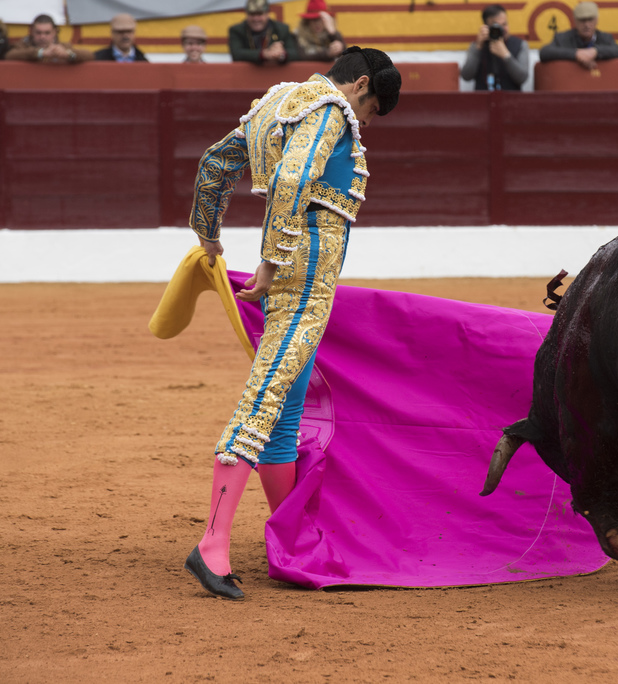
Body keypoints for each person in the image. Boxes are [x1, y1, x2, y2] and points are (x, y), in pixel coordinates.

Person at [183, 46, 402, 600]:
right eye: (372, 110)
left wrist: (209, 236)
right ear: (359, 87)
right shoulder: (331, 108)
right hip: (303, 277)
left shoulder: (276, 102)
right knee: (266, 397)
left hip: (294, 271)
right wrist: (271, 260)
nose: (366, 122)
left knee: (285, 404)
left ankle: (294, 538)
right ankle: (211, 544)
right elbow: (293, 179)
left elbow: (214, 165)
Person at [460, 4, 530, 90]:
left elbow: (522, 78)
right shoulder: (478, 45)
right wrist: (477, 48)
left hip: (511, 100)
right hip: (483, 99)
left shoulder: (520, 44)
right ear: (486, 27)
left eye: (504, 24)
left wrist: (506, 55)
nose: (502, 29)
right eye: (496, 26)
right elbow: (466, 76)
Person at [539, 1, 618, 69]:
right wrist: (576, 54)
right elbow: (545, 52)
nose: (587, 25)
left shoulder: (605, 38)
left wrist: (596, 52)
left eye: (590, 20)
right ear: (575, 21)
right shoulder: (562, 38)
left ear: (596, 20)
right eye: (582, 20)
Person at [229, 0, 299, 64]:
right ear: (247, 14)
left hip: (276, 74)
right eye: (252, 14)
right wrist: (264, 54)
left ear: (267, 14)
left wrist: (281, 54)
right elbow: (236, 54)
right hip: (246, 74)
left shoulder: (281, 29)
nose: (256, 19)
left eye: (259, 14)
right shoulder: (237, 30)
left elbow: (295, 54)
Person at [5, 14, 93, 63]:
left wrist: (68, 54)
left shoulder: (62, 46)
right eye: (38, 33)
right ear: (31, 32)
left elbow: (89, 55)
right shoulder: (23, 45)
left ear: (54, 32)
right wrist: (40, 53)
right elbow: (9, 55)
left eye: (47, 33)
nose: (42, 37)